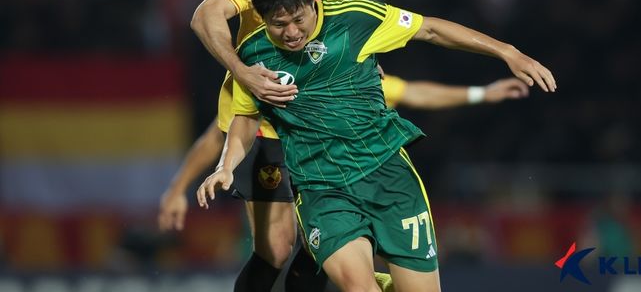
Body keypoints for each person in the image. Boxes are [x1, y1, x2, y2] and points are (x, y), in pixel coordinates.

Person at [196, 0, 556, 292]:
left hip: (388, 177)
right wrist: (226, 166)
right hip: (322, 189)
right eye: (278, 24)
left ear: (312, 1)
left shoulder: (356, 20)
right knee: (358, 287)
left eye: (298, 19)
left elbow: (429, 30)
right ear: (262, 17)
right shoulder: (252, 57)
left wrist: (507, 52)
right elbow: (245, 117)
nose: (291, 31)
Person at [188, 0, 382, 291]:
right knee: (276, 247)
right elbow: (206, 15)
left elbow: (333, 17)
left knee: (328, 238)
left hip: (320, 114)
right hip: (267, 115)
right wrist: (243, 71)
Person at [158, 75, 529, 287]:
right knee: (277, 249)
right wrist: (178, 189)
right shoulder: (258, 63)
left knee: (317, 249)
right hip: (270, 150)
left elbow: (411, 92)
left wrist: (482, 92)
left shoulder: (348, 62)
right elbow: (217, 135)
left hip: (330, 166)